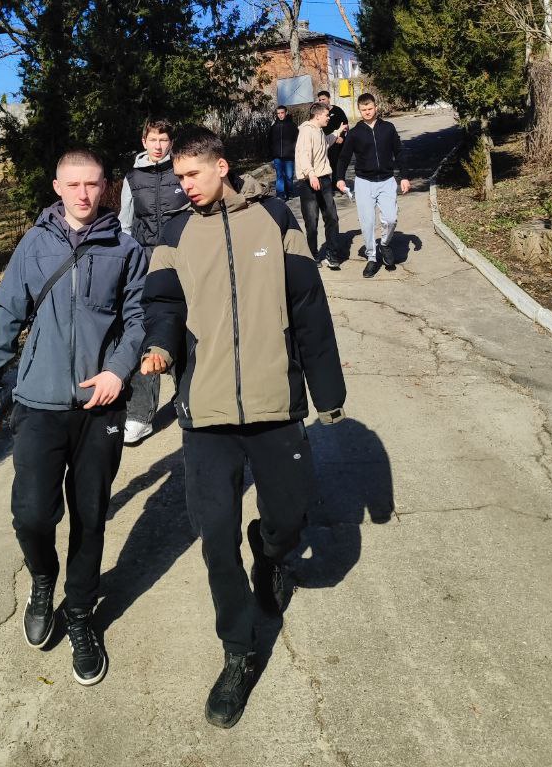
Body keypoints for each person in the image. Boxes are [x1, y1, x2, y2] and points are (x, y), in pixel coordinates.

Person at [141, 126, 346, 729]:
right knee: (215, 538)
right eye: (178, 177)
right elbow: (162, 304)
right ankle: (237, 652)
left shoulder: (276, 219)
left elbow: (309, 307)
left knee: (287, 513)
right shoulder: (174, 233)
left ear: (221, 167)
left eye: (191, 174)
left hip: (274, 402)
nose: (183, 185)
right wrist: (160, 347)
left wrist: (328, 393)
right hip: (206, 413)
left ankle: (272, 553)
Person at [0, 149, 148, 686]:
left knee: (90, 517)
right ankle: (43, 580)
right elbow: (8, 315)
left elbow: (138, 318)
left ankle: (79, 613)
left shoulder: (125, 248)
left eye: (92, 184)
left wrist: (119, 370)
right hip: (39, 403)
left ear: (105, 186)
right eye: (73, 184)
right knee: (31, 515)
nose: (83, 194)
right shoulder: (34, 244)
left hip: (100, 407)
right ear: (57, 187)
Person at [117, 117, 187, 444]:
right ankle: (140, 414)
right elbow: (125, 225)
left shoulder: (182, 169)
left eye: (164, 139)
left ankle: (188, 396)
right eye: (153, 139)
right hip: (146, 264)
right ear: (144, 141)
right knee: (145, 331)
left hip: (183, 260)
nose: (158, 146)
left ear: (171, 141)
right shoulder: (132, 177)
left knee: (187, 327)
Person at [334, 92, 411, 278]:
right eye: (363, 110)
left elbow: (399, 152)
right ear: (359, 111)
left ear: (376, 107)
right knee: (367, 223)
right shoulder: (355, 133)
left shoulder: (388, 128)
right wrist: (340, 178)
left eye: (370, 108)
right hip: (364, 183)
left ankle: (384, 244)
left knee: (391, 219)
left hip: (386, 181)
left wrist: (405, 177)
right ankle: (371, 257)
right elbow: (344, 157)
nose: (367, 112)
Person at [295, 100, 343, 271]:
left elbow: (325, 144)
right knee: (311, 221)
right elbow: (303, 155)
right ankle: (313, 254)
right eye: (326, 115)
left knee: (332, 217)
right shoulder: (306, 131)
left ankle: (332, 254)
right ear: (317, 115)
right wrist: (311, 174)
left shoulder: (319, 131)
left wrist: (337, 132)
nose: (328, 117)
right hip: (309, 182)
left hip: (324, 180)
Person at [267, 104, 298, 200]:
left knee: (289, 176)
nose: (280, 115)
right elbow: (269, 141)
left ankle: (290, 192)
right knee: (279, 175)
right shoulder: (274, 127)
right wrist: (272, 153)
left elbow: (297, 140)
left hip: (289, 156)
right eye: (278, 113)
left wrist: (294, 151)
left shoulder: (292, 126)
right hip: (277, 156)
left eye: (282, 113)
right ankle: (280, 194)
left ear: (286, 113)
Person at [316, 88, 348, 177]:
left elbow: (345, 124)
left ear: (329, 99)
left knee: (336, 165)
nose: (321, 101)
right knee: (324, 165)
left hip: (337, 141)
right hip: (324, 142)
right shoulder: (318, 113)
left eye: (323, 99)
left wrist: (342, 137)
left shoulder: (337, 110)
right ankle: (325, 184)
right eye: (320, 100)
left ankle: (337, 182)